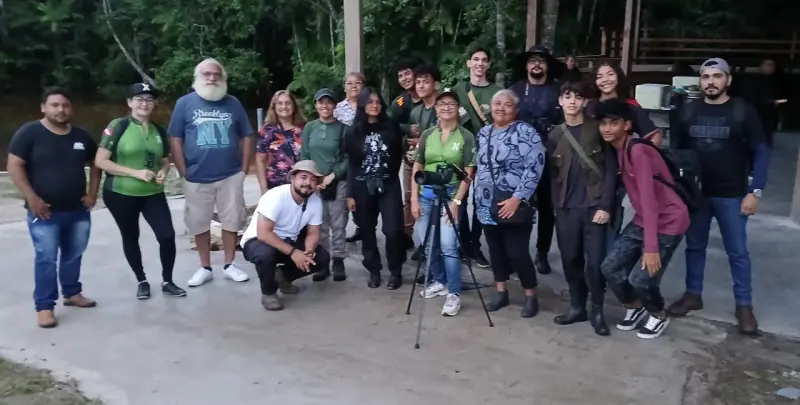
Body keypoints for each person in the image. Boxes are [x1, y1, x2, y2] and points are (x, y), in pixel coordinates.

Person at [667, 58, 771, 336]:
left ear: (728, 80)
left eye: (717, 76)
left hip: (733, 195)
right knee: (694, 246)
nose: (711, 81)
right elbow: (676, 153)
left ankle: (744, 306)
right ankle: (693, 294)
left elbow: (762, 151)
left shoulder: (743, 111)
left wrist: (755, 190)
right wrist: (677, 190)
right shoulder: (688, 111)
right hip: (697, 195)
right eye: (706, 77)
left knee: (738, 252)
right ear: (700, 81)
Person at [7, 86, 101, 328]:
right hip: (45, 212)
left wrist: (92, 193)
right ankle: (45, 307)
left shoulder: (81, 136)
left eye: (65, 105)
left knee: (74, 254)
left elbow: (97, 163)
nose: (61, 110)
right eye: (55, 105)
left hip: (78, 210)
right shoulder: (29, 133)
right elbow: (14, 165)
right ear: (43, 107)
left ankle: (72, 292)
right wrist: (32, 198)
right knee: (46, 259)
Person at [597, 98, 689, 339]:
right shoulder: (617, 149)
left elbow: (649, 201)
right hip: (644, 219)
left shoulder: (638, 151)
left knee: (641, 278)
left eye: (613, 123)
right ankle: (635, 306)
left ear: (627, 125)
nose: (607, 128)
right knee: (610, 268)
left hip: (669, 220)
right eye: (603, 123)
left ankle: (658, 313)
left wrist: (650, 248)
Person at [94, 83, 185, 299]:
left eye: (149, 99)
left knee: (167, 235)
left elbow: (165, 160)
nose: (145, 103)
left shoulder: (159, 131)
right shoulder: (118, 126)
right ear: (129, 102)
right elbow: (101, 161)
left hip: (152, 193)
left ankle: (168, 280)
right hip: (121, 193)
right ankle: (142, 281)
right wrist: (135, 173)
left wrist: (163, 171)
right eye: (140, 99)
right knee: (131, 236)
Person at [168, 58, 254, 287]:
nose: (212, 78)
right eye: (207, 74)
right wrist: (183, 170)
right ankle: (204, 267)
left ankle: (229, 265)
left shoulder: (233, 103)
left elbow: (247, 136)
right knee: (199, 222)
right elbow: (175, 138)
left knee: (232, 220)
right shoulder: (184, 103)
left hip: (230, 175)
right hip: (196, 176)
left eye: (217, 74)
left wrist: (244, 169)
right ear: (198, 77)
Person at [546, 82, 616, 336]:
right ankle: (577, 307)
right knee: (570, 260)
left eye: (578, 97)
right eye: (568, 96)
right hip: (567, 208)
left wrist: (606, 205)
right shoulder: (555, 135)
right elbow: (552, 175)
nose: (573, 101)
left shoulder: (597, 129)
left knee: (595, 264)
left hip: (594, 207)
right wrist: (556, 205)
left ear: (585, 101)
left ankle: (597, 311)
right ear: (560, 101)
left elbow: (611, 169)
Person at [474, 89, 546, 318]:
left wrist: (518, 198)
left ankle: (530, 294)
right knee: (495, 250)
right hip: (486, 201)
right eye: (497, 103)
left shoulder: (525, 132)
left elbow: (535, 167)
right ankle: (501, 291)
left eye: (507, 105)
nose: (501, 108)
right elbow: (479, 166)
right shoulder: (483, 133)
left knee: (517, 252)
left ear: (515, 110)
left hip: (515, 201)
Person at [411, 91, 475, 316]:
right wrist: (413, 198)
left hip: (451, 195)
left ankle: (454, 292)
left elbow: (469, 172)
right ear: (436, 108)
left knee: (448, 245)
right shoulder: (427, 134)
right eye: (442, 103)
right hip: (426, 194)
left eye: (451, 103)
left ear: (458, 108)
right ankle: (439, 280)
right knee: (428, 243)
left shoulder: (466, 136)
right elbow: (418, 165)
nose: (446, 107)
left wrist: (457, 202)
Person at [240, 160, 330, 311]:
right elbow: (263, 233)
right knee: (265, 255)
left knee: (321, 257)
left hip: (289, 240)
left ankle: (282, 277)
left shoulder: (315, 201)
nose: (308, 183)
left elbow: (313, 232)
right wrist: (294, 253)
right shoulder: (275, 196)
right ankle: (269, 293)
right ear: (293, 178)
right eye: (303, 177)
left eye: (313, 179)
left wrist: (308, 251)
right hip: (259, 241)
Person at [509, 45, 564, 275]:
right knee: (518, 204)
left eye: (541, 60)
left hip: (550, 157)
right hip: (520, 159)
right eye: (532, 60)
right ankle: (516, 253)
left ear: (547, 65)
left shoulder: (559, 90)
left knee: (546, 208)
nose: (537, 64)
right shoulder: (515, 90)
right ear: (526, 65)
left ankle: (542, 252)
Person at [344, 87, 406, 290]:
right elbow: (352, 164)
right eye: (370, 102)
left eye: (378, 102)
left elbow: (398, 155)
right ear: (362, 104)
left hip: (388, 185)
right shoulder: (353, 131)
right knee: (367, 230)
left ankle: (395, 271)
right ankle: (374, 269)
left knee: (393, 230)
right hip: (362, 186)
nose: (374, 105)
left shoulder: (391, 127)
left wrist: (388, 175)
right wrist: (350, 193)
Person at [451, 46, 501, 268]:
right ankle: (463, 243)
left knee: (483, 200)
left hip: (488, 154)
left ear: (488, 65)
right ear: (468, 63)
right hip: (461, 153)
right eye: (476, 59)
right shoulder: (458, 90)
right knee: (460, 199)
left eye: (484, 60)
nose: (480, 63)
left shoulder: (497, 92)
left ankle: (475, 244)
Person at [300, 88, 349, 282]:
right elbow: (304, 154)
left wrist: (332, 176)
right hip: (314, 182)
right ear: (316, 105)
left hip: (337, 182)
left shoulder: (343, 128)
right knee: (318, 224)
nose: (325, 106)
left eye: (329, 102)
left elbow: (348, 157)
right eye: (321, 102)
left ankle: (338, 259)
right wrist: (312, 178)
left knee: (338, 223)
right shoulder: (310, 127)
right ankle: (322, 261)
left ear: (335, 105)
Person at [406, 64, 442, 258]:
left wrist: (421, 142)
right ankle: (425, 246)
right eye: (418, 82)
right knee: (420, 206)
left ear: (436, 85)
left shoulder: (444, 108)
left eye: (425, 82)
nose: (420, 86)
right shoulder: (415, 111)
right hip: (420, 166)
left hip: (440, 166)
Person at [335, 72, 365, 243]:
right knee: (348, 193)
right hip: (346, 156)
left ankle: (364, 227)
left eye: (357, 82)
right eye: (349, 83)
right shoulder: (338, 109)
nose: (354, 86)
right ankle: (355, 226)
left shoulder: (369, 105)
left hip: (367, 157)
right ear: (344, 87)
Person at [256, 90, 306, 194]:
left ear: (294, 106)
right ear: (274, 107)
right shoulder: (267, 131)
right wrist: (263, 189)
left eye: (288, 103)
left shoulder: (304, 129)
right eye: (279, 103)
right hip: (275, 185)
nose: (284, 106)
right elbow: (260, 160)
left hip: (301, 185)